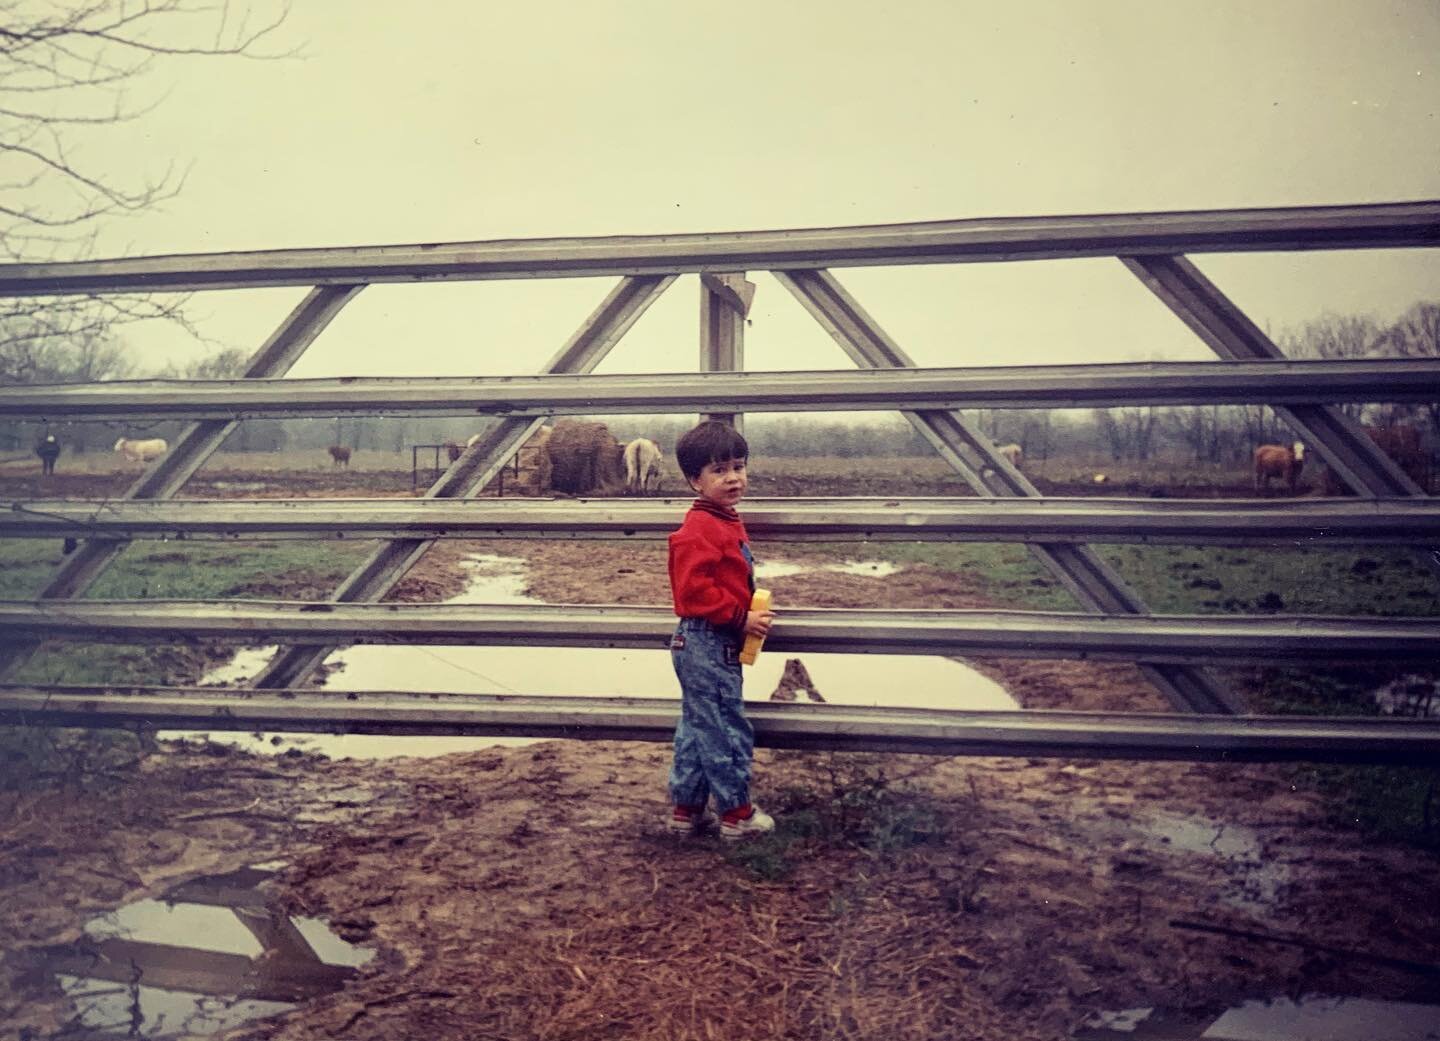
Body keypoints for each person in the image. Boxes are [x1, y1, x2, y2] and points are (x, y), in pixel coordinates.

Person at [665, 420, 777, 841]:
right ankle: (736, 814)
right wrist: (739, 618)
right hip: (707, 641)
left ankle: (687, 809)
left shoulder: (723, 519)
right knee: (726, 727)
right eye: (718, 470)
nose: (733, 477)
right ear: (695, 480)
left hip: (707, 642)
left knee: (698, 725)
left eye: (738, 466)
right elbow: (691, 594)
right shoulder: (698, 529)